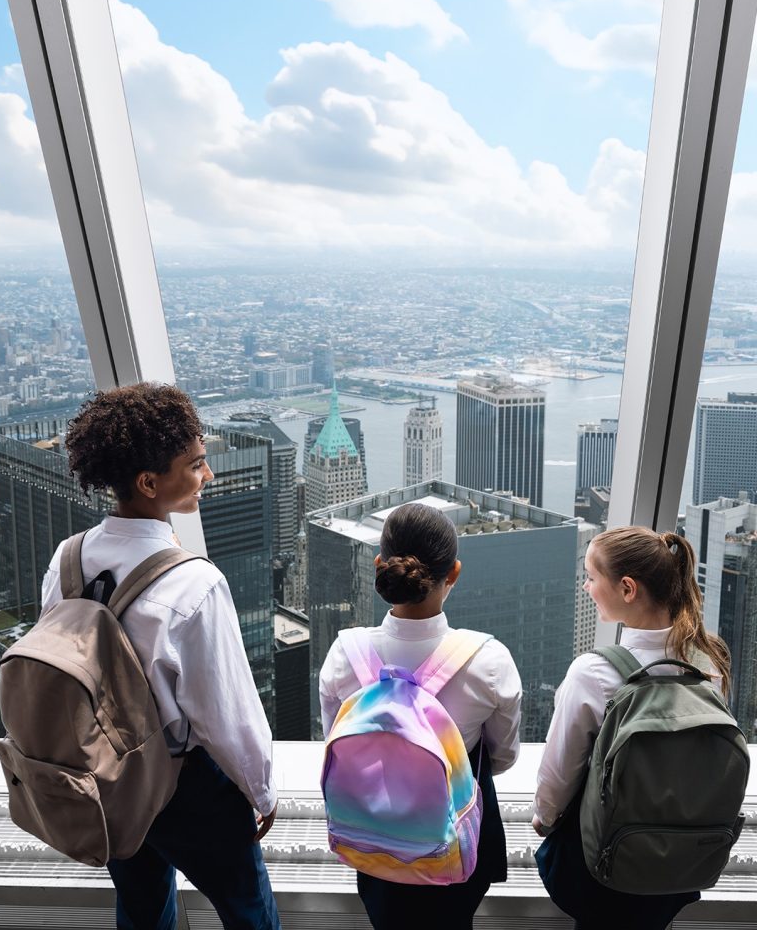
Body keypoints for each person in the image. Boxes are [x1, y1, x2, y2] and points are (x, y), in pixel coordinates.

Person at [41, 383, 281, 930]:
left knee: (143, 911)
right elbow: (225, 712)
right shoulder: (194, 583)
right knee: (248, 909)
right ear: (150, 482)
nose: (209, 475)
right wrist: (261, 792)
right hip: (185, 784)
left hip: (107, 774)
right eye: (196, 465)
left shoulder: (68, 558)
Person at [319, 502, 523, 930]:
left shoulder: (345, 653)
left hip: (372, 837)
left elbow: (334, 742)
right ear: (454, 573)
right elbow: (502, 758)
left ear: (381, 565)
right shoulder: (488, 660)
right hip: (455, 840)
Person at [532, 526, 731, 930]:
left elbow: (558, 776)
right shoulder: (710, 664)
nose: (586, 587)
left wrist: (544, 820)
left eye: (591, 576)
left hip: (608, 868)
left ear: (627, 589)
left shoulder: (595, 673)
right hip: (682, 865)